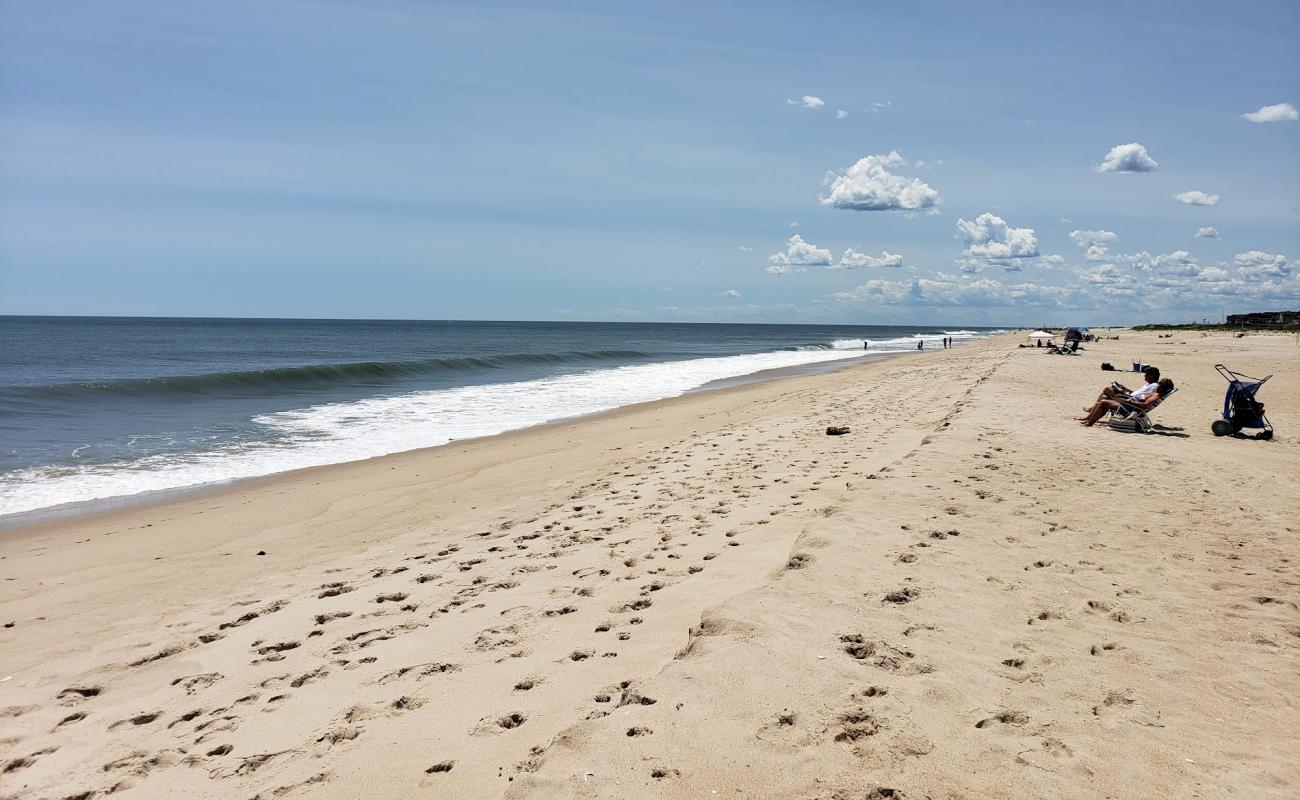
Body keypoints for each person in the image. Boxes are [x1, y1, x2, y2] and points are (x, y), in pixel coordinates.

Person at [1077, 378, 1173, 427]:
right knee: (1104, 399)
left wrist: (1129, 401)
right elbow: (1142, 400)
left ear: (1161, 387)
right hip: (1130, 405)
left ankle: (1090, 423)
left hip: (1130, 408)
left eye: (1159, 384)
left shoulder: (1156, 395)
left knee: (1103, 402)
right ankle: (1089, 420)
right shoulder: (1155, 393)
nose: (1157, 385)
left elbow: (1145, 405)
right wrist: (1125, 396)